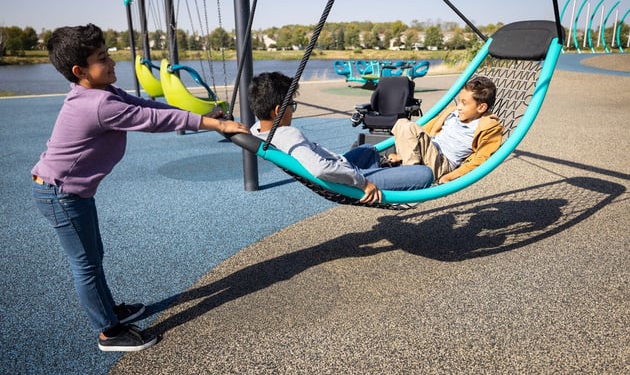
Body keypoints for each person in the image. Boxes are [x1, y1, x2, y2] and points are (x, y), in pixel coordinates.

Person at [31, 24, 249, 352]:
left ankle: (109, 312)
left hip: (66, 191)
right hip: (60, 193)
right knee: (86, 264)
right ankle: (108, 332)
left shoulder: (101, 93)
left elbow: (153, 108)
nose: (112, 62)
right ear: (80, 71)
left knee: (94, 257)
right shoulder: (99, 105)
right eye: (102, 58)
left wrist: (201, 115)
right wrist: (216, 124)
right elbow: (154, 121)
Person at [247, 72, 434, 204]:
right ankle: (393, 178)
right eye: (292, 106)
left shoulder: (257, 131)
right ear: (278, 111)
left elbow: (245, 130)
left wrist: (224, 123)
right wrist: (364, 183)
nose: (293, 111)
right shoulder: (288, 134)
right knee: (425, 174)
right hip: (350, 182)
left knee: (368, 150)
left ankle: (389, 170)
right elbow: (320, 169)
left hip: (344, 166)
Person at [388, 76, 504, 185]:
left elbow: (481, 159)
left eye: (464, 103)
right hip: (427, 151)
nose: (458, 107)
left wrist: (451, 176)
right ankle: (409, 168)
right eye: (459, 101)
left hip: (441, 163)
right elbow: (425, 130)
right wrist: (403, 153)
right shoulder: (452, 113)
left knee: (408, 126)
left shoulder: (489, 127)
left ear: (481, 107)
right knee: (402, 123)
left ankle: (409, 176)